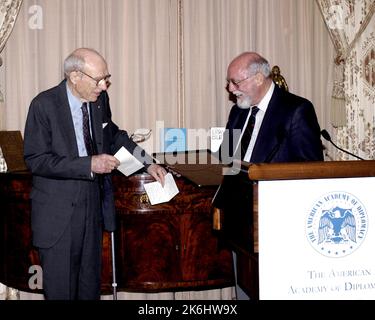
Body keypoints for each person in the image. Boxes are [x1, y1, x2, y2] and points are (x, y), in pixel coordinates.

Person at [23, 48, 167, 300]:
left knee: (89, 290)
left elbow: (114, 136)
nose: (103, 86)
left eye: (106, 78)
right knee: (61, 293)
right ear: (75, 76)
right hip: (58, 216)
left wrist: (148, 163)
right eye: (98, 79)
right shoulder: (43, 105)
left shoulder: (99, 101)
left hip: (93, 208)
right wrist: (88, 164)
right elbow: (37, 160)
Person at [213, 52, 324, 299]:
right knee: (244, 290)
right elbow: (226, 158)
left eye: (236, 82)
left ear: (259, 78)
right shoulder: (238, 112)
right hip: (239, 222)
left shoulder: (296, 110)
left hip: (278, 224)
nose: (231, 89)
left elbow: (311, 170)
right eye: (229, 83)